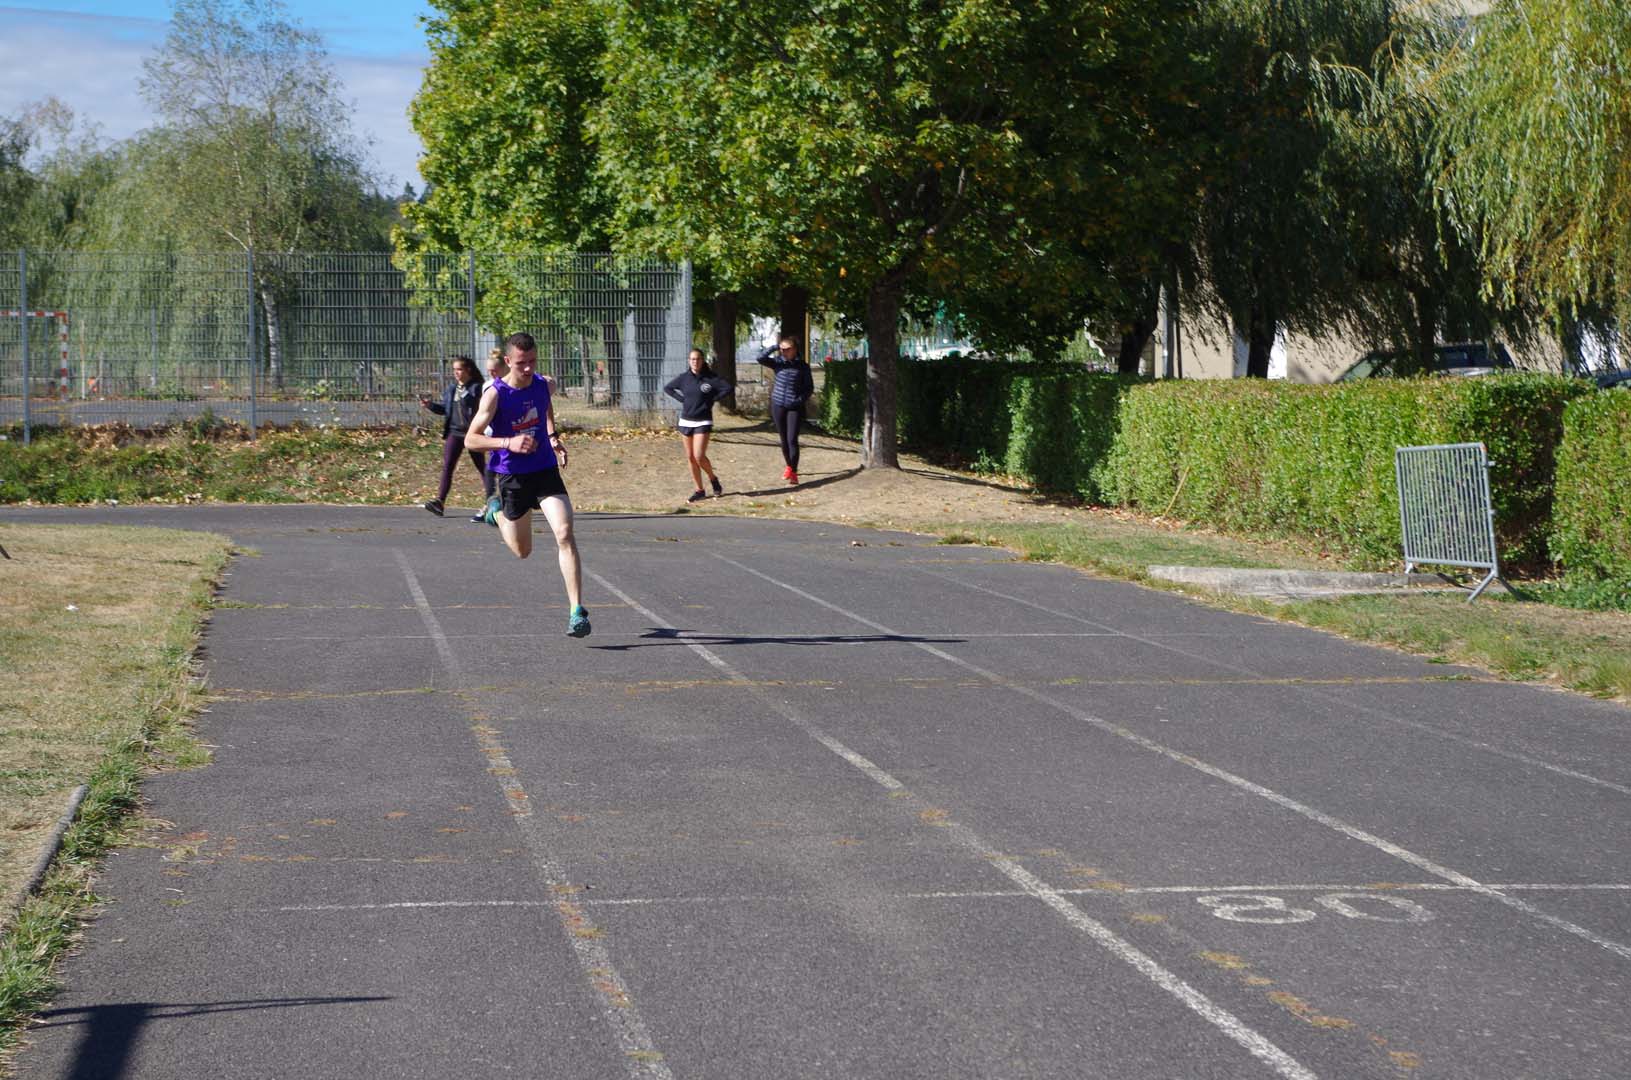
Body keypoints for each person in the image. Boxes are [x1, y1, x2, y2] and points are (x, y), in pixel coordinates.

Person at [463, 332, 591, 638]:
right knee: (523, 551)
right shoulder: (495, 394)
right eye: (521, 363)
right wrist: (509, 442)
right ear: (508, 361)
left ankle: (576, 612)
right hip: (512, 476)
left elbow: (545, 406)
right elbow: (471, 439)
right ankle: (496, 514)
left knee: (564, 531)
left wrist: (552, 437)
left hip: (544, 469)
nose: (528, 368)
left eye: (533, 361)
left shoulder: (545, 384)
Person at [419, 356, 491, 518]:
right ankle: (440, 501)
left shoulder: (477, 388)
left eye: (459, 369)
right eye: (454, 370)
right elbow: (446, 409)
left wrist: (467, 392)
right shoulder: (452, 389)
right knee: (448, 466)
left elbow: (479, 406)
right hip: (454, 432)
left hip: (472, 433)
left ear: (468, 370)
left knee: (482, 467)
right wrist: (430, 405)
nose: (456, 373)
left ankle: (491, 501)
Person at [663, 348, 732, 502]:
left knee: (699, 456)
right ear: (689, 361)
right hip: (686, 421)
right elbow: (668, 388)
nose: (695, 362)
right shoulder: (684, 378)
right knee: (690, 457)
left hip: (703, 420)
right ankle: (699, 490)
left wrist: (713, 398)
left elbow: (728, 388)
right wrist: (682, 400)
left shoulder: (711, 378)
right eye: (692, 359)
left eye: (698, 359)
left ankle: (713, 479)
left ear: (703, 360)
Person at [757, 335, 815, 485]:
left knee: (792, 440)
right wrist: (775, 347)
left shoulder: (803, 366)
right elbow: (760, 358)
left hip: (794, 407)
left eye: (787, 349)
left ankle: (794, 472)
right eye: (782, 349)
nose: (784, 352)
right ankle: (789, 466)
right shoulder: (778, 363)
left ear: (795, 349)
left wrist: (798, 400)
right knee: (783, 440)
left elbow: (809, 388)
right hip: (778, 405)